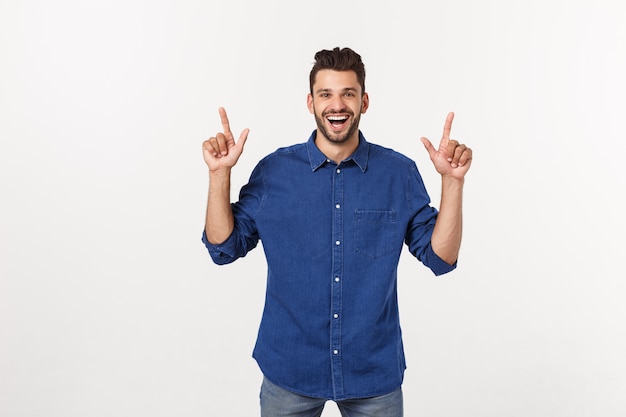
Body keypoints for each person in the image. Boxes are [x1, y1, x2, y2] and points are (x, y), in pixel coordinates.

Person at [201, 47, 472, 417]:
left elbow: (441, 258)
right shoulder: (274, 173)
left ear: (364, 101)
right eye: (326, 94)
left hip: (372, 372)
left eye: (348, 93)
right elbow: (223, 248)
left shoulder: (398, 173)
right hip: (290, 368)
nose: (337, 104)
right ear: (310, 102)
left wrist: (452, 183)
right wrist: (219, 175)